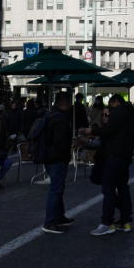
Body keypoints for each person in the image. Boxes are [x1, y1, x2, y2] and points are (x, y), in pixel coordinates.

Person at [89, 94, 134, 236]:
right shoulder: (131, 115)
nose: (108, 114)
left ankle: (107, 223)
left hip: (114, 156)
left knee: (108, 189)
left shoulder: (119, 113)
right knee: (123, 188)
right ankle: (125, 221)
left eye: (109, 111)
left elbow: (108, 131)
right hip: (125, 157)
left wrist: (92, 131)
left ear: (115, 102)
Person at [40, 92, 74, 235]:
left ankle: (59, 216)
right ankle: (50, 221)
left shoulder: (49, 115)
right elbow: (60, 142)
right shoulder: (60, 118)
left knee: (58, 188)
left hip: (49, 157)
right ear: (65, 103)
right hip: (57, 158)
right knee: (56, 189)